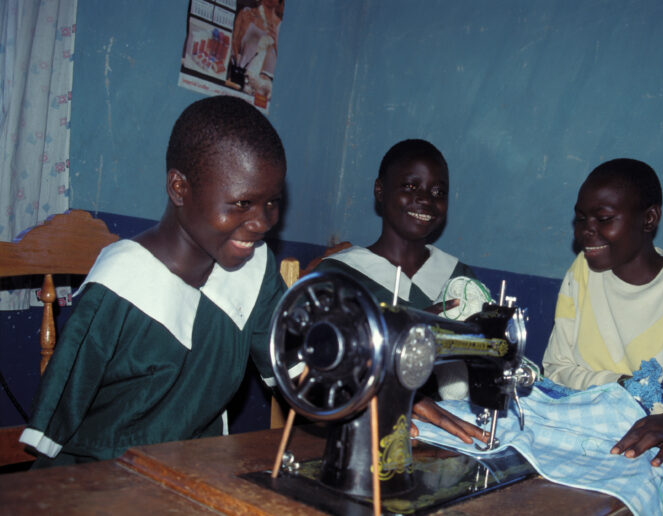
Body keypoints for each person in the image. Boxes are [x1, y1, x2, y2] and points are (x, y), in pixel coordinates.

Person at [20, 95, 298, 467]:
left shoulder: (255, 271)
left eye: (271, 202)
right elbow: (55, 426)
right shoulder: (120, 286)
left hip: (198, 473)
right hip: (104, 480)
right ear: (179, 188)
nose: (263, 223)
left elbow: (297, 372)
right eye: (242, 204)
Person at [542, 158, 663, 512]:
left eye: (603, 219)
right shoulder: (582, 274)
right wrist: (621, 387)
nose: (585, 231)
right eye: (580, 218)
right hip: (601, 468)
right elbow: (555, 372)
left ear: (649, 219)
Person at [313, 138, 490, 444]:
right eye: (410, 186)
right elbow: (319, 371)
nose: (425, 199)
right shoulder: (338, 276)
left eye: (439, 193)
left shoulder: (459, 279)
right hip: (359, 432)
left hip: (442, 434)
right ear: (380, 191)